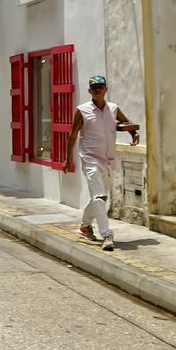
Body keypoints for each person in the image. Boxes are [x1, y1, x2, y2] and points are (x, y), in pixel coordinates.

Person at [63, 74, 140, 252]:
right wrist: (68, 159)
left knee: (99, 197)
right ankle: (107, 235)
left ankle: (84, 226)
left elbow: (125, 122)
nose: (98, 89)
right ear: (90, 91)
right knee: (99, 197)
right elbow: (73, 135)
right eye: (94, 87)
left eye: (101, 86)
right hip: (90, 158)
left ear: (105, 89)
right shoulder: (82, 110)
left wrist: (133, 134)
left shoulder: (113, 108)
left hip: (109, 159)